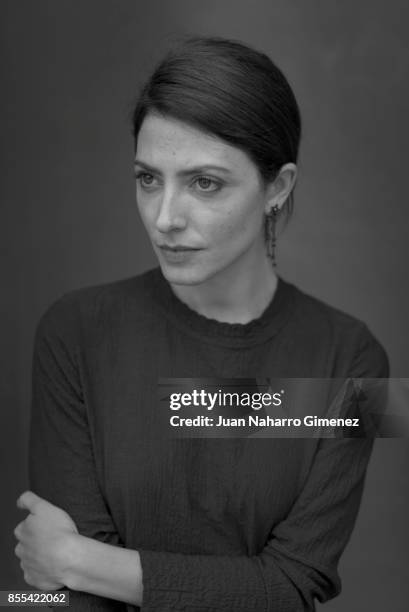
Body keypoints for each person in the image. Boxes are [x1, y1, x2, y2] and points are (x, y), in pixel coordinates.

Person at [14, 36, 389, 611]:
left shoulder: (355, 362)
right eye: (147, 179)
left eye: (204, 183)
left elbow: (294, 587)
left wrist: (81, 561)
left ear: (278, 187)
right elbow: (74, 600)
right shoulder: (74, 333)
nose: (165, 218)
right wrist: (80, 571)